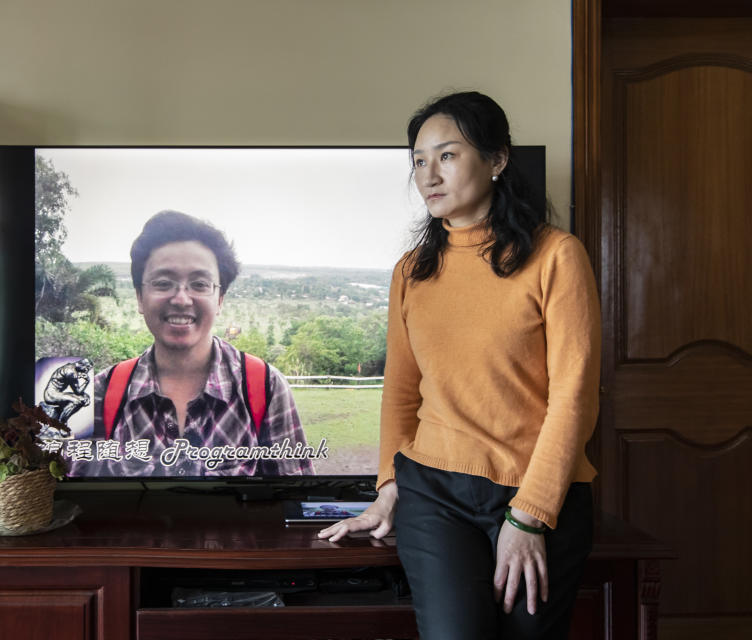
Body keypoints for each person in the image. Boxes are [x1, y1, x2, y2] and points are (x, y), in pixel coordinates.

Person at [318, 91, 601, 639]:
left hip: (537, 494)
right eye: (419, 162)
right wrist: (388, 487)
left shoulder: (557, 256)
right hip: (435, 494)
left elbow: (575, 396)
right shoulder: (413, 270)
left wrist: (529, 515)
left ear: (497, 160)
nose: (429, 175)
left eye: (446, 156)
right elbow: (402, 391)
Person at [89, 210, 314, 477]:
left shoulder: (264, 387)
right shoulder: (101, 393)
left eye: (199, 284)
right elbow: (72, 503)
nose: (182, 299)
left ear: (220, 299)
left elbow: (294, 500)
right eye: (163, 283)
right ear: (140, 296)